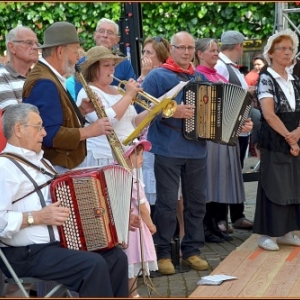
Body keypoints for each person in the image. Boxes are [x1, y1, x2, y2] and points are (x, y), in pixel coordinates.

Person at [0, 103, 133, 297]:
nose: (44, 133)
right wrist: (37, 217)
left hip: (58, 246)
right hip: (25, 254)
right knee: (93, 265)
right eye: (38, 127)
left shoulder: (42, 162)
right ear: (19, 129)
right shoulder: (4, 168)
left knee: (116, 257)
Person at [141, 31, 209, 275]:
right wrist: (171, 110)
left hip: (197, 150)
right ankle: (163, 254)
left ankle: (191, 250)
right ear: (171, 49)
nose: (186, 52)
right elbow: (143, 109)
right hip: (167, 150)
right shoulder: (158, 76)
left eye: (190, 48)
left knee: (197, 204)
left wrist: (236, 124)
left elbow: (214, 112)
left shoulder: (200, 77)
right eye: (181, 48)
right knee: (167, 205)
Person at [21, 21, 113, 173]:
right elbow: (50, 134)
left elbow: (55, 118)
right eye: (76, 51)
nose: (78, 57)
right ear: (60, 52)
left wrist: (80, 111)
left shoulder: (49, 76)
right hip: (55, 167)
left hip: (58, 165)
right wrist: (90, 131)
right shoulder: (44, 81)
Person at [194, 38, 253, 243]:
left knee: (217, 182)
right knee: (209, 183)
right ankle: (206, 226)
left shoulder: (218, 74)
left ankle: (213, 224)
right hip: (210, 138)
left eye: (217, 50)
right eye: (212, 51)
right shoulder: (198, 76)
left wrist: (239, 122)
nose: (216, 53)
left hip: (223, 137)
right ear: (200, 54)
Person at [253, 28, 300, 251]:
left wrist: (298, 133)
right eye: (282, 49)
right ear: (271, 53)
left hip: (295, 135)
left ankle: (288, 231)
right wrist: (291, 139)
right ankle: (268, 234)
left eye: (290, 49)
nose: (287, 52)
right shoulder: (266, 78)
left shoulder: (295, 79)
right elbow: (269, 114)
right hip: (275, 136)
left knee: (293, 182)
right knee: (274, 183)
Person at [75, 45, 147, 169]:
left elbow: (133, 123)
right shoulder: (88, 92)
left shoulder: (117, 89)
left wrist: (155, 109)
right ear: (93, 69)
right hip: (103, 156)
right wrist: (129, 95)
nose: (112, 69)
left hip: (127, 156)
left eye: (113, 65)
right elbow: (107, 120)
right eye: (106, 65)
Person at [214, 30, 255, 231]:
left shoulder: (230, 67)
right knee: (225, 174)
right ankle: (223, 218)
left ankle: (236, 215)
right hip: (229, 131)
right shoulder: (222, 66)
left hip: (239, 130)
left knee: (234, 173)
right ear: (239, 45)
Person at [122, 139, 157, 298]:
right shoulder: (132, 179)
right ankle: (133, 294)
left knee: (133, 263)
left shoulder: (126, 175)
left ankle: (132, 293)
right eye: (139, 155)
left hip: (134, 226)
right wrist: (150, 225)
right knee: (133, 261)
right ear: (129, 157)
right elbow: (142, 208)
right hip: (136, 228)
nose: (142, 158)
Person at [69, 17, 137, 101]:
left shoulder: (124, 63)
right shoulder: (82, 63)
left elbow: (134, 92)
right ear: (94, 36)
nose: (105, 35)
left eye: (110, 33)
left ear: (117, 40)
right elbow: (81, 97)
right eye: (101, 31)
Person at [0, 25, 39, 109]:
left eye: (37, 43)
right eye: (29, 43)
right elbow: (16, 117)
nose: (36, 47)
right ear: (12, 47)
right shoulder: (2, 76)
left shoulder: (39, 77)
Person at [245, 53, 268, 160]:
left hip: (267, 110)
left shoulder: (268, 74)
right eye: (255, 64)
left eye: (259, 64)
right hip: (256, 110)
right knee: (256, 138)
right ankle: (260, 161)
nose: (257, 66)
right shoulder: (250, 76)